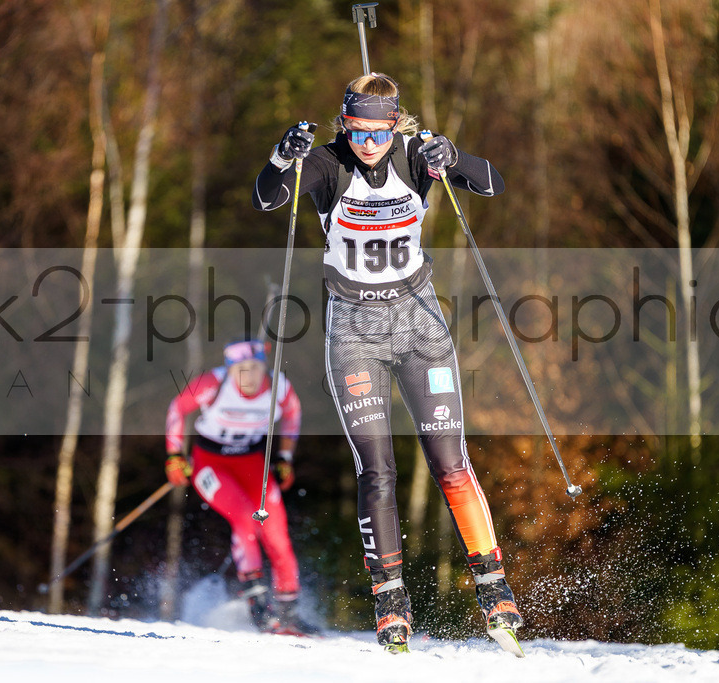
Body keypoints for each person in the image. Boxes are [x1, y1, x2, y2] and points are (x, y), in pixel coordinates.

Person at [251, 72, 522, 652]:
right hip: (353, 329)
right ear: (344, 122)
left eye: (380, 131)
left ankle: (493, 586)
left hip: (420, 322)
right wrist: (281, 158)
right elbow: (266, 196)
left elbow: (493, 182)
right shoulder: (325, 165)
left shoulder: (417, 156)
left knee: (450, 461)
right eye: (357, 130)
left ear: (395, 123)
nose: (369, 143)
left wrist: (454, 156)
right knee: (377, 468)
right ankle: (391, 600)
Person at [164, 338, 315, 636]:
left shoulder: (279, 388)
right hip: (211, 464)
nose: (249, 376)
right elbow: (177, 409)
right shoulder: (213, 383)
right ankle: (260, 608)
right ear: (230, 369)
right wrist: (174, 455)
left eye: (255, 368)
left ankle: (290, 613)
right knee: (246, 518)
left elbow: (293, 415)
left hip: (252, 462)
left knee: (276, 532)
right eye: (241, 369)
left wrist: (285, 457)